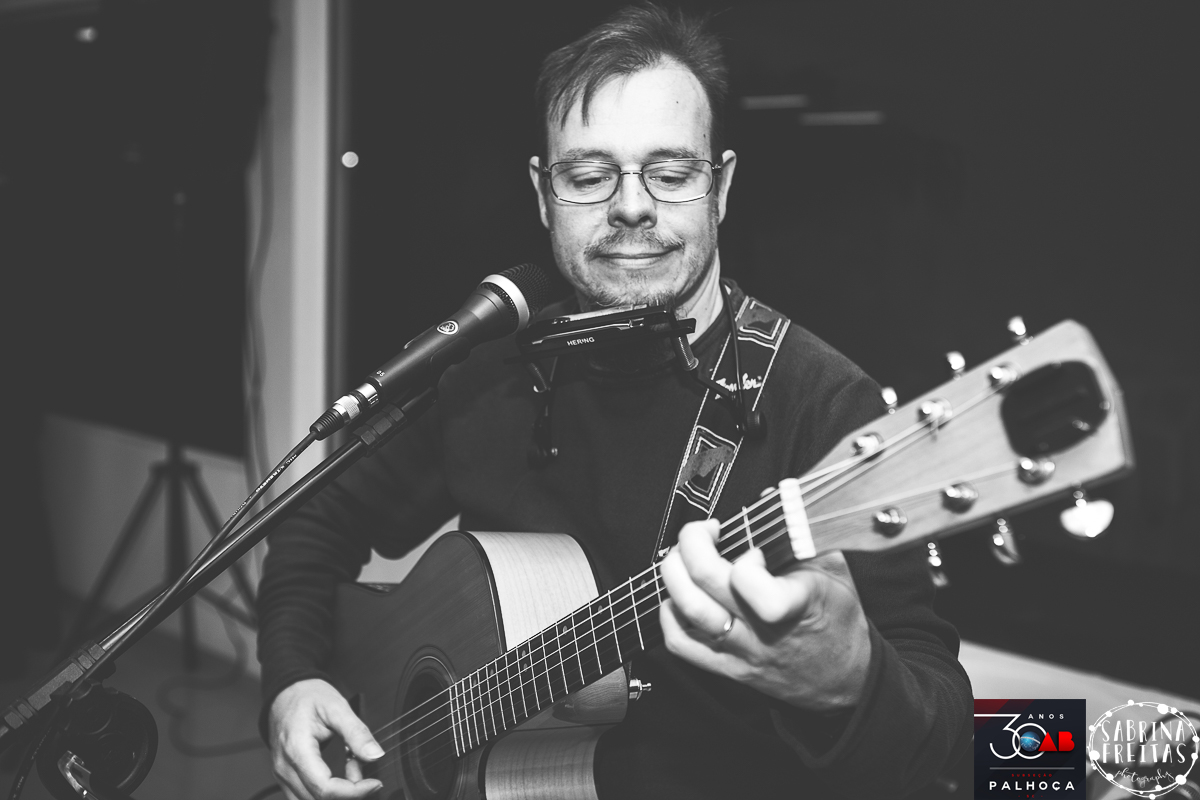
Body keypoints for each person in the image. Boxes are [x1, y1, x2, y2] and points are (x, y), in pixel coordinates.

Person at [257, 5, 972, 799]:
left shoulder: (825, 402)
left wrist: (850, 684)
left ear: (720, 187)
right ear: (543, 192)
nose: (631, 208)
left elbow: (944, 730)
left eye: (669, 174)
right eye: (590, 176)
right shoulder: (486, 371)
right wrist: (293, 679)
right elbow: (316, 523)